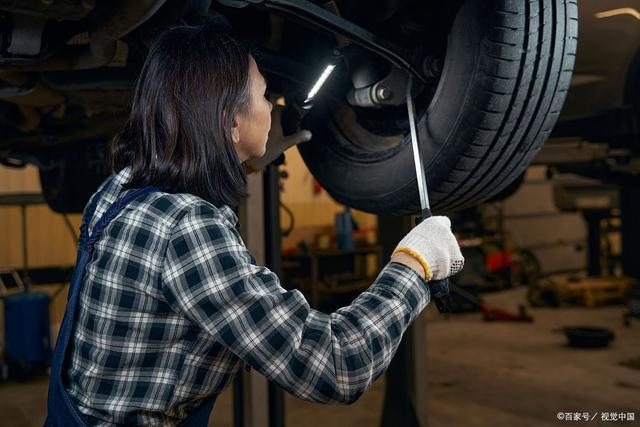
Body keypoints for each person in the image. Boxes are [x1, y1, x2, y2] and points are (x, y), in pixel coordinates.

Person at [45, 24, 464, 426]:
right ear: (229, 121)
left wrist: (242, 157)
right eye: (265, 96)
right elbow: (337, 366)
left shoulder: (118, 191)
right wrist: (414, 264)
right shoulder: (189, 230)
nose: (273, 109)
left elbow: (170, 221)